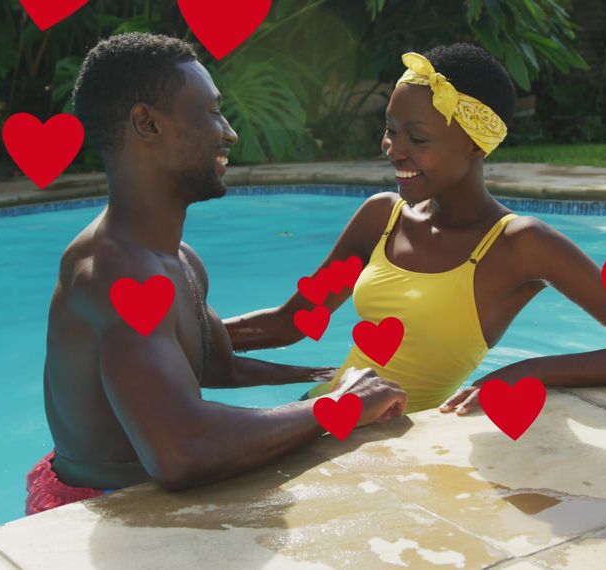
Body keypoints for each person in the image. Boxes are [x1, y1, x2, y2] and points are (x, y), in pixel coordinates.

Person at [28, 33, 407, 516]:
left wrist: (336, 378)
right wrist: (340, 408)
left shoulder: (178, 258)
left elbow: (213, 368)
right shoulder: (111, 272)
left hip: (149, 489)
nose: (228, 132)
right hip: (100, 509)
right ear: (147, 124)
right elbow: (181, 452)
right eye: (211, 112)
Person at [223, 43, 606, 415]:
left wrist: (525, 372)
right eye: (390, 129)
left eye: (418, 137)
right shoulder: (380, 218)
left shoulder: (520, 245)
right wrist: (170, 333)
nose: (394, 148)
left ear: (475, 144)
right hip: (316, 414)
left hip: (391, 446)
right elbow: (290, 322)